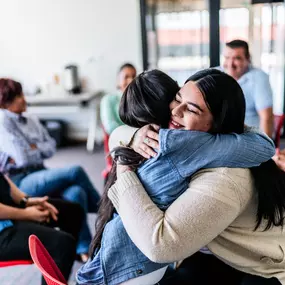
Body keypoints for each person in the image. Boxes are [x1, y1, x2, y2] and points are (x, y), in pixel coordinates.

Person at [77, 69, 276, 285]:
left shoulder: (219, 174)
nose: (175, 112)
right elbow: (118, 134)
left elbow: (159, 247)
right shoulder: (174, 141)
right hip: (200, 250)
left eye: (191, 109)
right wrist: (131, 137)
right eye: (177, 99)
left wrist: (124, 164)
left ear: (217, 124)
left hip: (255, 268)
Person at [0, 78, 101, 262]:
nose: (24, 99)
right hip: (20, 181)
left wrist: (31, 148)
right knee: (75, 171)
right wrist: (35, 147)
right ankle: (106, 210)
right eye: (18, 96)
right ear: (6, 102)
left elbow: (52, 146)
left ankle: (84, 250)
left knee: (76, 192)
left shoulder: (31, 118)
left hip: (40, 171)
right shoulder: (3, 121)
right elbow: (22, 158)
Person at [0, 172, 84, 285]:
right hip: (3, 231)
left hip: (10, 212)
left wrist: (26, 202)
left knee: (73, 212)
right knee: (62, 244)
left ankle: (63, 265)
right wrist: (26, 213)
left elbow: (2, 179)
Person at [220, 39, 274, 137]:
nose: (230, 64)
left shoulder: (259, 77)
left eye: (237, 58)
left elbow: (267, 118)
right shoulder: (215, 74)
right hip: (221, 137)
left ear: (248, 59)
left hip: (249, 138)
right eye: (227, 57)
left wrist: (266, 149)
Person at [100, 63, 137, 135]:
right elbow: (110, 127)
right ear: (118, 80)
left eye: (133, 76)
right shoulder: (108, 100)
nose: (131, 80)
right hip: (120, 139)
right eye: (126, 77)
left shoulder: (140, 99)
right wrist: (134, 135)